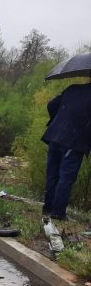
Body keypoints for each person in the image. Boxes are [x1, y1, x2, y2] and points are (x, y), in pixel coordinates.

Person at [42, 81, 91, 220]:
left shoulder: (73, 88)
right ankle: (57, 213)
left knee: (52, 174)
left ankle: (47, 209)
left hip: (55, 136)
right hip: (74, 141)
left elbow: (51, 105)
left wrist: (60, 119)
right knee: (66, 178)